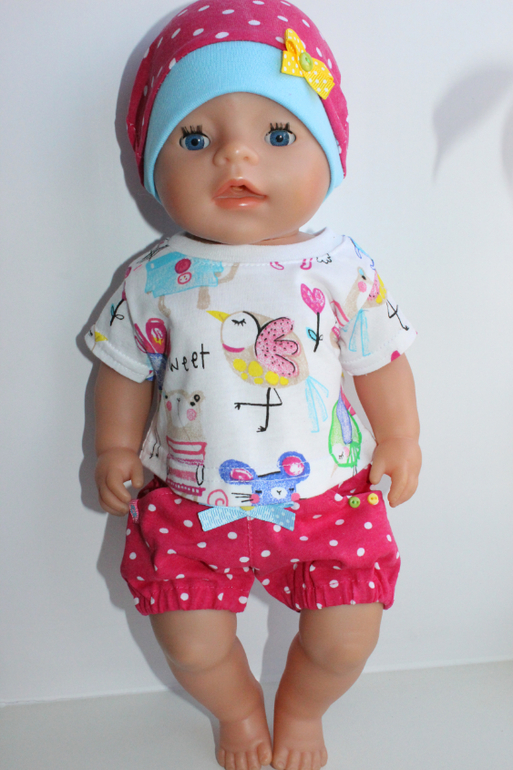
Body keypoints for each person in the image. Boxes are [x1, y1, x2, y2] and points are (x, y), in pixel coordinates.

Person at [86, 2, 421, 769]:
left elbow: (380, 359)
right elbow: (123, 367)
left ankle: (300, 711)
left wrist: (400, 436)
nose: (235, 158)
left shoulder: (342, 268)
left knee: (346, 638)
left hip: (328, 498)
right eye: (194, 138)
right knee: (191, 643)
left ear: (329, 153)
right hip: (189, 504)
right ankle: (237, 714)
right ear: (152, 166)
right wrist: (112, 447)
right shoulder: (154, 278)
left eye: (276, 134)